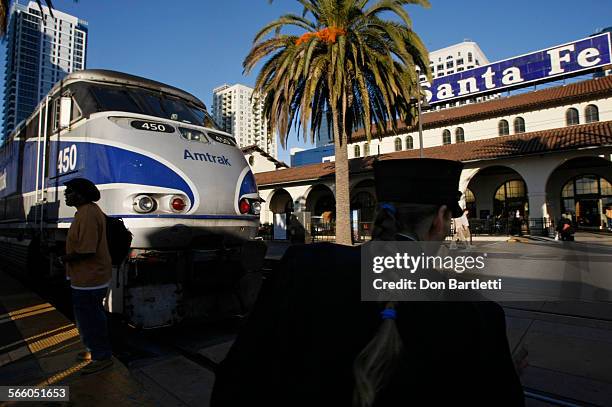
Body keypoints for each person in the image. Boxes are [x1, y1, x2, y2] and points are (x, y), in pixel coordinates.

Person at [211, 159, 524, 407]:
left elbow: (235, 381)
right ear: (440, 219)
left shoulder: (301, 268)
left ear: (381, 215)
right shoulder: (478, 317)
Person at [60, 177, 113, 375]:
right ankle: (94, 350)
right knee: (87, 318)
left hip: (90, 278)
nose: (66, 194)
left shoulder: (88, 214)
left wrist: (63, 259)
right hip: (86, 277)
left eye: (70, 191)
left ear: (81, 195)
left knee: (91, 319)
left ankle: (102, 356)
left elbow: (87, 250)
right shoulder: (84, 212)